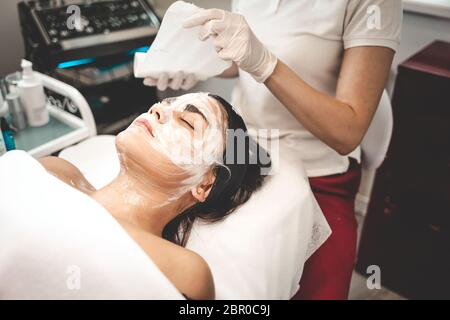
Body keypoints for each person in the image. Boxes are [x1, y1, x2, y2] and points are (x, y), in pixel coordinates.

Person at [143, 0, 402, 299]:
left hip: (317, 168)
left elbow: (347, 132)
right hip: (240, 150)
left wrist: (266, 64)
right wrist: (198, 63)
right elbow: (241, 58)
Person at [39, 92, 269, 300]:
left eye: (187, 122)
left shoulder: (184, 271)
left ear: (205, 184)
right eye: (163, 104)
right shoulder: (56, 170)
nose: (156, 110)